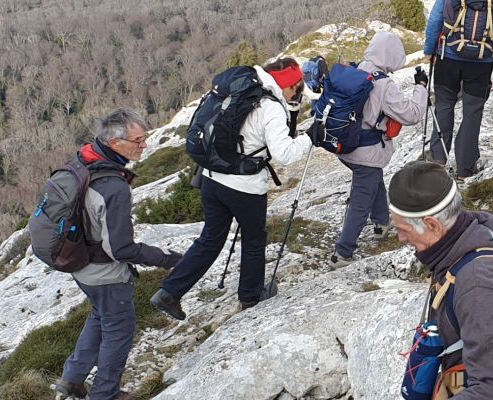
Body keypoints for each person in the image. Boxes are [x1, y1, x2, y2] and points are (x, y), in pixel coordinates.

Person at [152, 58, 314, 320]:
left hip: (211, 178)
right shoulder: (269, 106)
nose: (297, 94)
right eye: (297, 89)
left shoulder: (239, 88)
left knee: (210, 239)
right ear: (289, 85)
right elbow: (284, 154)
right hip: (244, 187)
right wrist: (310, 138)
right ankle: (251, 296)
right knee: (253, 240)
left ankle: (169, 292)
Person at [52, 109, 183, 400]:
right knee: (119, 331)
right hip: (105, 274)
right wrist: (168, 259)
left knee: (100, 317)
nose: (144, 145)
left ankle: (71, 380)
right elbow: (121, 249)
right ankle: (106, 394)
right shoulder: (113, 187)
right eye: (137, 140)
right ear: (114, 143)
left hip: (78, 263)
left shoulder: (83, 161)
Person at [388, 161, 493, 398]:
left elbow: (492, 391)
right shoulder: (470, 233)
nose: (400, 238)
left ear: (432, 224)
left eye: (403, 229)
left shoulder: (476, 284)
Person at [329, 32, 430, 267]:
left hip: (345, 146)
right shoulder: (383, 84)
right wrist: (421, 88)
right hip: (365, 149)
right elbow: (411, 114)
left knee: (373, 177)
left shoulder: (357, 70)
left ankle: (381, 221)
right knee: (360, 200)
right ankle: (342, 253)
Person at [423, 0, 493, 178]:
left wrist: (429, 50)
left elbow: (435, 20)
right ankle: (466, 167)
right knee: (473, 112)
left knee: (444, 106)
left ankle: (437, 161)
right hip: (481, 62)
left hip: (448, 57)